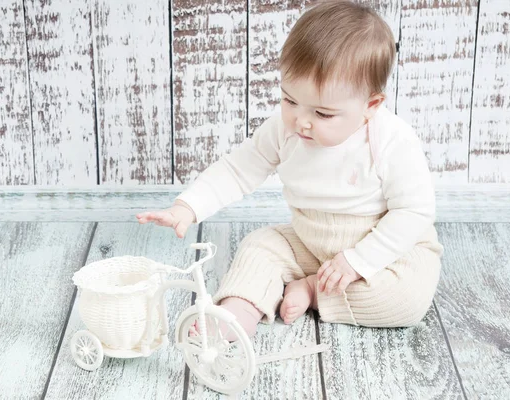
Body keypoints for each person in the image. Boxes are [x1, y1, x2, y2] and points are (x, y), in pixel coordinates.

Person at [136, 0, 443, 339]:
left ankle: (313, 291)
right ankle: (238, 311)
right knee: (259, 247)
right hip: (310, 242)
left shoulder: (390, 140)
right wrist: (188, 206)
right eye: (289, 100)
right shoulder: (284, 131)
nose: (301, 121)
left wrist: (358, 261)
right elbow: (239, 169)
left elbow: (414, 211)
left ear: (370, 106)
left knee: (407, 298)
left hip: (383, 249)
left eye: (323, 114)